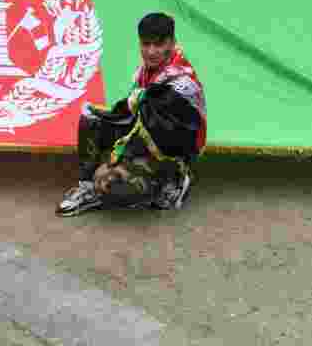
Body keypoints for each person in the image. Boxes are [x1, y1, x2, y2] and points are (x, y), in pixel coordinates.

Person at [57, 12, 206, 217]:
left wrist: (114, 162)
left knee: (112, 184)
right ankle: (88, 187)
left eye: (158, 44)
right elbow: (131, 112)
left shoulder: (179, 83)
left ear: (171, 42)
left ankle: (173, 182)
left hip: (171, 153)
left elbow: (159, 133)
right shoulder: (147, 70)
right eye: (145, 44)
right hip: (146, 137)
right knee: (90, 119)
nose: (151, 51)